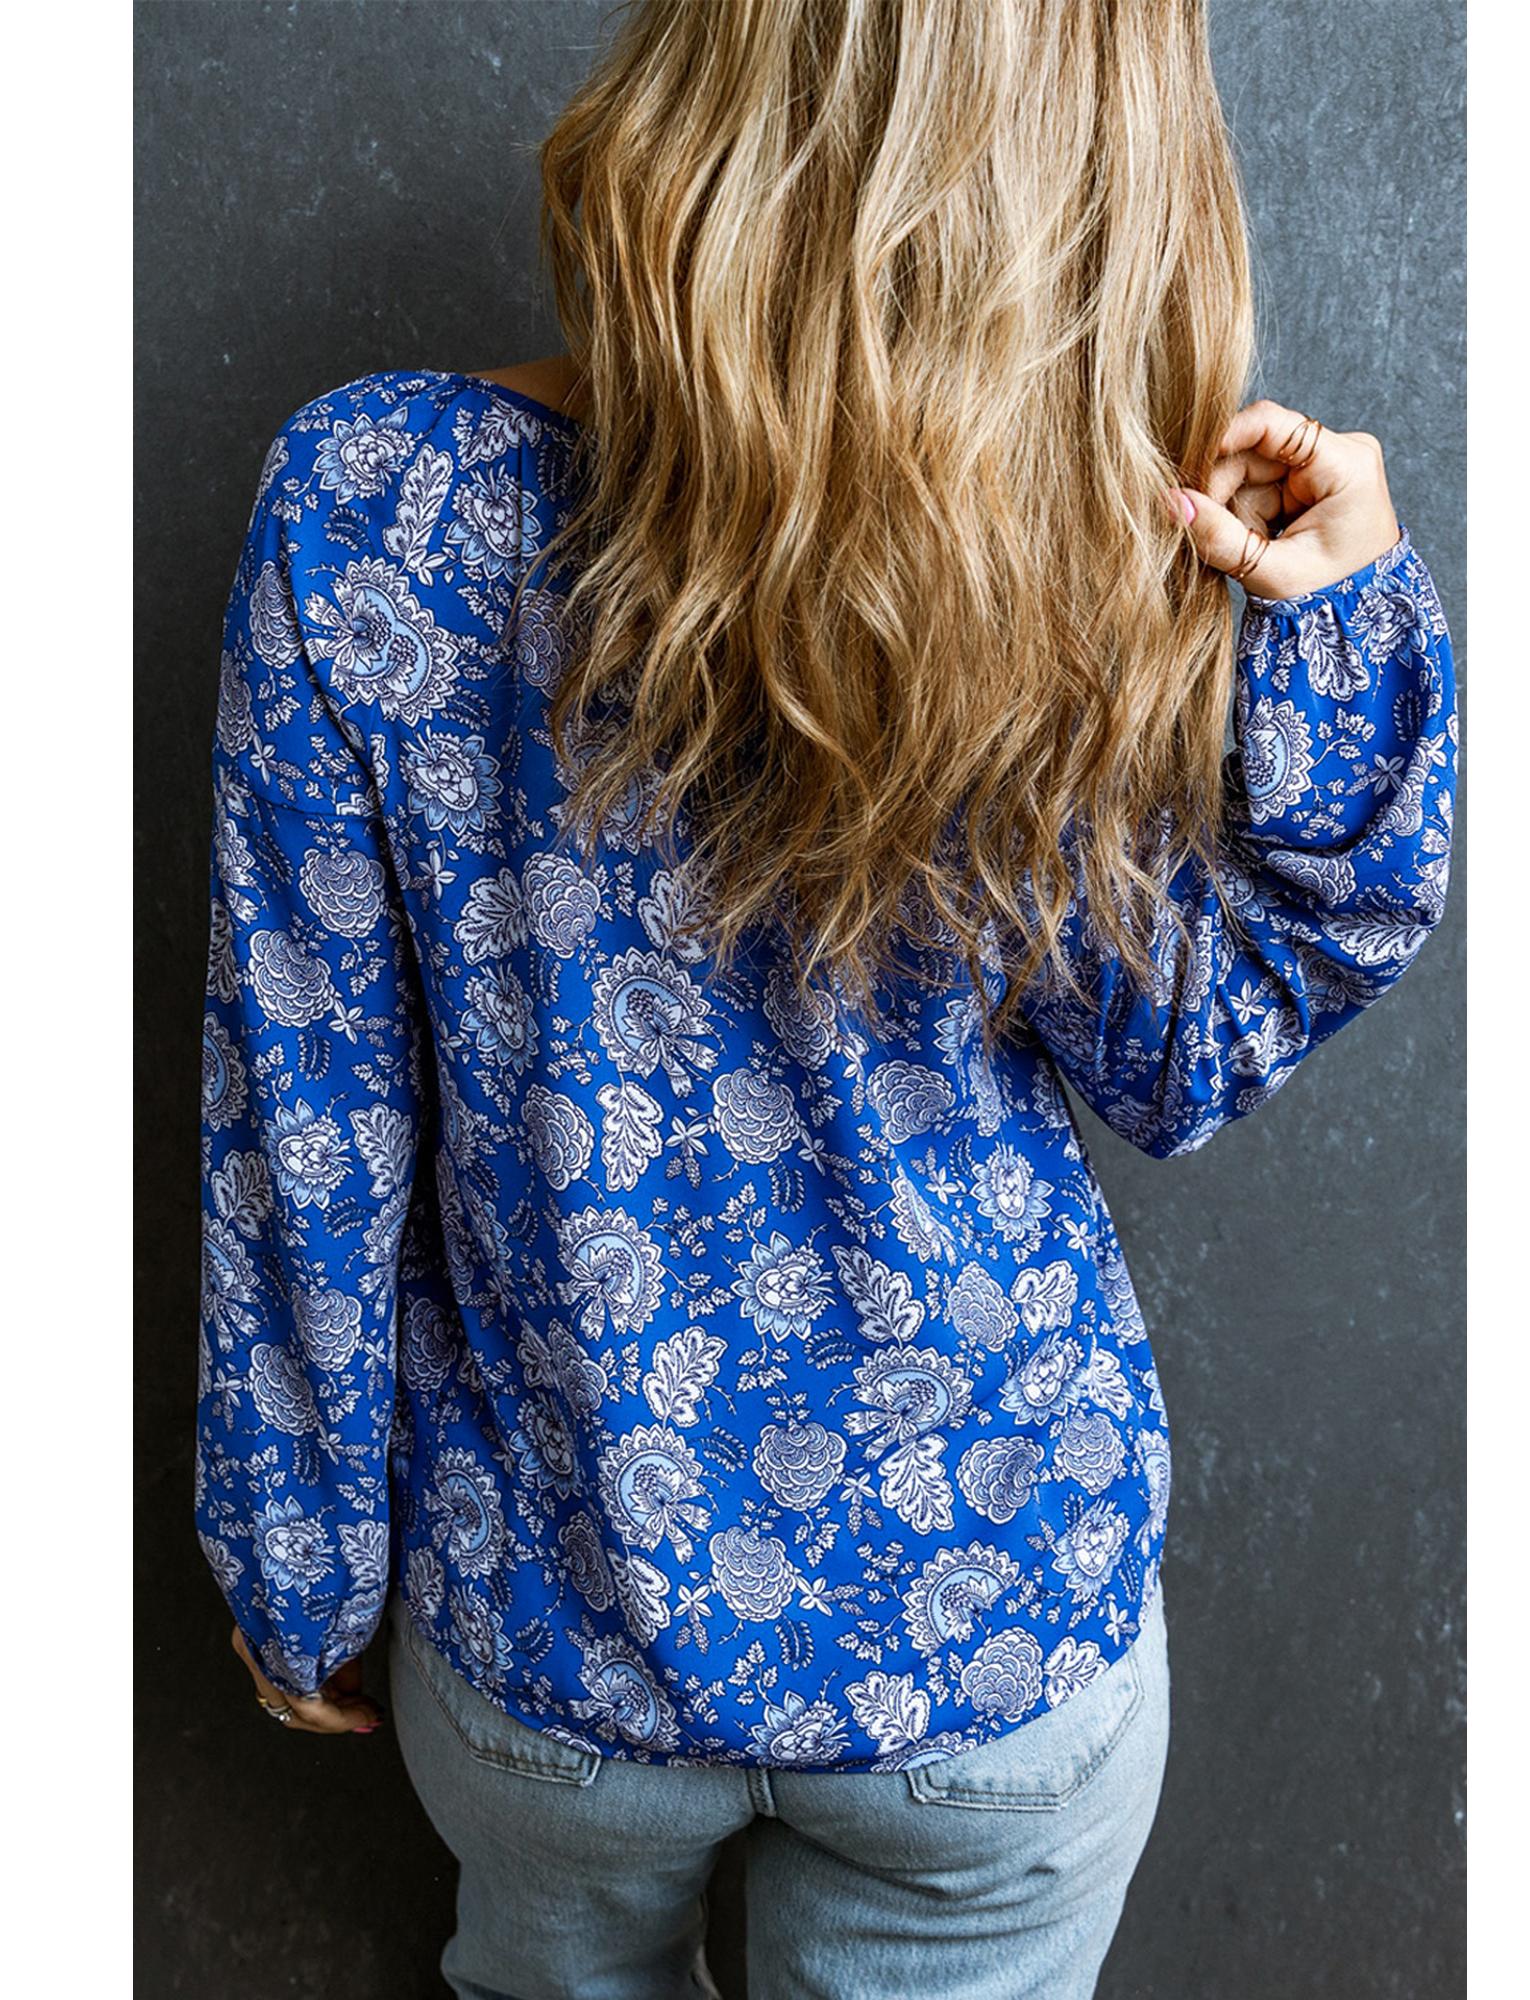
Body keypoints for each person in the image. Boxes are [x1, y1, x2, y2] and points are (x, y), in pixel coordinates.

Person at [193, 2, 1458, 1994]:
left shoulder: (371, 500)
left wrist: (300, 1562)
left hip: (554, 1621)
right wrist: (1345, 633)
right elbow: (1187, 1054)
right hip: (988, 1640)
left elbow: (308, 1122)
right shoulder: (1072, 543)